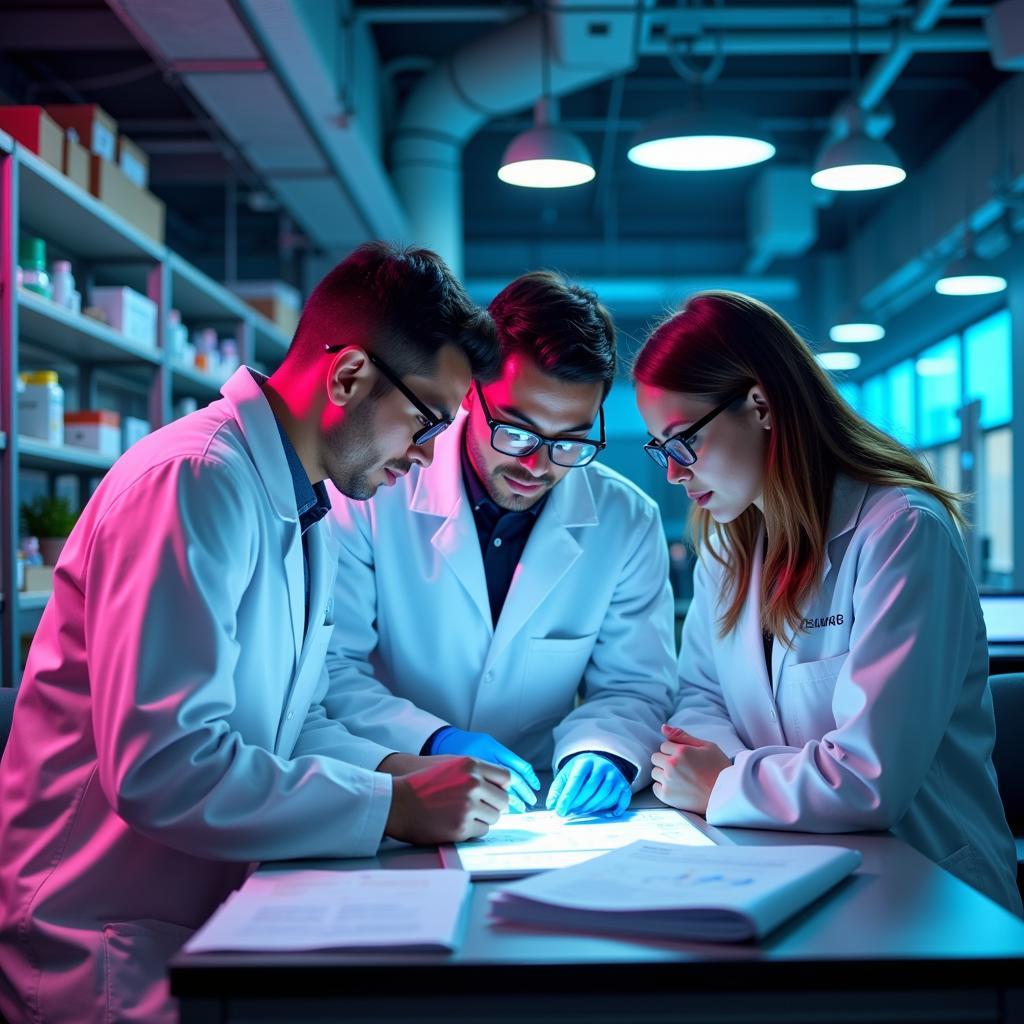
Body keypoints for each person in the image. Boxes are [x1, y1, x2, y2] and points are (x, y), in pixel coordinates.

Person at [0, 243, 511, 1024]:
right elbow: (163, 766)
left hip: (204, 910)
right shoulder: (195, 480)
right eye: (428, 419)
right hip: (103, 941)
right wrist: (390, 806)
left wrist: (405, 771)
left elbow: (291, 721)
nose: (430, 453)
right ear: (348, 379)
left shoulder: (305, 500)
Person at [633, 289, 1022, 915]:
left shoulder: (901, 532)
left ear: (760, 405)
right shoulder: (727, 548)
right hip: (774, 864)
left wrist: (726, 781)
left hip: (926, 892)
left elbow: (871, 779)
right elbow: (699, 702)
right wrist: (735, 779)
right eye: (661, 451)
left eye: (682, 443)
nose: (673, 474)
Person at [322, 271, 677, 819]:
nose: (537, 465)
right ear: (470, 392)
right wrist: (434, 741)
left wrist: (603, 750)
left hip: (539, 802)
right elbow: (334, 669)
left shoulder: (626, 520)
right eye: (516, 430)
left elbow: (634, 684)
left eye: (571, 441)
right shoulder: (376, 492)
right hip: (398, 787)